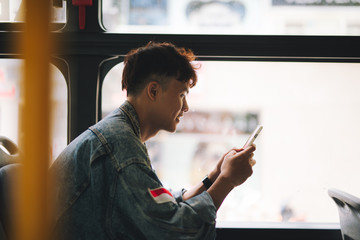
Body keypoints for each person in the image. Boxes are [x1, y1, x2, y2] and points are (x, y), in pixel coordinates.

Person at [50, 42, 256, 240]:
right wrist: (227, 181)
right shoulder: (120, 149)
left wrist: (213, 177)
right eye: (182, 95)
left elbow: (158, 203)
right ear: (154, 91)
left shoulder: (120, 134)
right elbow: (173, 232)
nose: (186, 107)